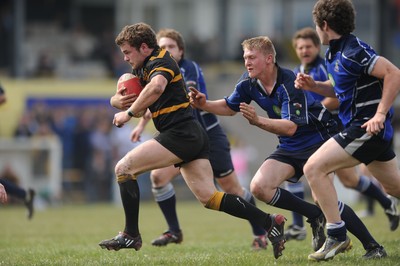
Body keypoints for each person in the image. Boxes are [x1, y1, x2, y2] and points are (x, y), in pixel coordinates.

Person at [98, 22, 287, 259]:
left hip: (180, 135)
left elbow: (156, 88)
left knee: (124, 169)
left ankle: (131, 234)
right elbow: (119, 95)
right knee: (210, 197)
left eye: (127, 52)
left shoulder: (161, 62)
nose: (125, 58)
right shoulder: (143, 66)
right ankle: (269, 222)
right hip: (191, 135)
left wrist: (127, 114)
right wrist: (117, 101)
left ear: (144, 47)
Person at [190, 35, 387, 260]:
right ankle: (314, 215)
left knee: (324, 197)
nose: (247, 62)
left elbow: (290, 127)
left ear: (269, 59)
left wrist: (258, 121)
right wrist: (204, 103)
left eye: (252, 57)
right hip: (291, 145)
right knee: (259, 187)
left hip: (319, 139)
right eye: (245, 57)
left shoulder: (288, 82)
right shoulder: (248, 82)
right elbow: (229, 105)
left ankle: (373, 246)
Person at [295, 0, 400, 261]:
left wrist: (379, 113)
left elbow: (394, 74)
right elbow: (341, 91)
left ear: (324, 25)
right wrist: (315, 87)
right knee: (395, 188)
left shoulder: (353, 50)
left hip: (365, 127)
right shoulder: (336, 52)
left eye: (316, 26)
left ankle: (337, 234)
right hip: (367, 129)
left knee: (313, 168)